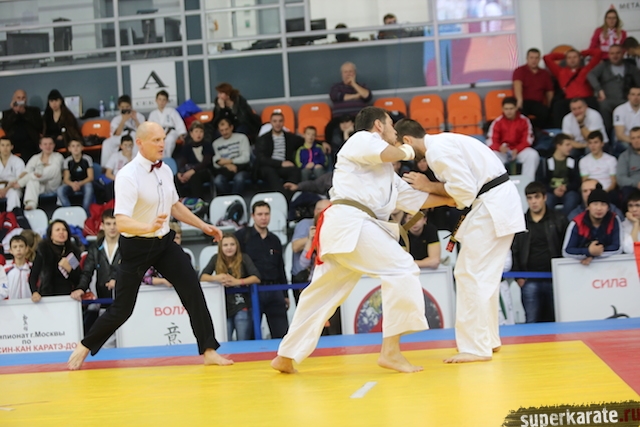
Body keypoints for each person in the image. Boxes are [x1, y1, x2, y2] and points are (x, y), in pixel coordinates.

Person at [271, 107, 454, 374]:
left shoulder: (387, 173)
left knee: (322, 293)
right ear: (378, 125)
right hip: (351, 222)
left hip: (346, 229)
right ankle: (390, 352)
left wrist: (454, 198)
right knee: (402, 268)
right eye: (391, 125)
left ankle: (286, 355)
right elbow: (389, 153)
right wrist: (412, 148)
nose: (395, 132)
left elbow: (417, 199)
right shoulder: (361, 140)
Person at [67, 121, 233, 370]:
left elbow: (175, 205)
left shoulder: (165, 169)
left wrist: (203, 226)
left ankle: (208, 349)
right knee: (123, 309)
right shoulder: (127, 175)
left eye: (163, 138)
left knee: (192, 289)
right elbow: (121, 222)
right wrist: (147, 227)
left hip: (164, 243)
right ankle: (85, 345)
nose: (162, 144)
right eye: (156, 140)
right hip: (136, 247)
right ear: (140, 143)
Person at [397, 117, 525, 363]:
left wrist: (428, 186)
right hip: (496, 204)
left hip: (490, 206)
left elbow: (464, 192)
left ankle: (476, 347)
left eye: (399, 147)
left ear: (407, 140)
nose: (401, 155)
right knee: (483, 277)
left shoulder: (437, 151)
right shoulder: (444, 142)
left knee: (470, 275)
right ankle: (488, 340)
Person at [511, 182, 568, 323]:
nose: (533, 201)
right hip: (529, 280)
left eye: (537, 197)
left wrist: (564, 276)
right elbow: (514, 250)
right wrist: (518, 277)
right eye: (529, 198)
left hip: (554, 279)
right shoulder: (520, 222)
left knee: (559, 320)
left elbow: (565, 247)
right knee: (531, 322)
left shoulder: (559, 219)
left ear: (545, 197)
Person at [236, 201, 289, 339]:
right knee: (251, 335)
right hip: (251, 290)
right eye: (260, 214)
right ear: (252, 216)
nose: (263, 217)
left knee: (282, 334)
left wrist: (285, 294)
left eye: (266, 214)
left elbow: (280, 267)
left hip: (275, 290)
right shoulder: (242, 236)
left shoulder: (275, 240)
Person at [200, 233, 261, 341]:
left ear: (237, 246)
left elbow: (256, 277)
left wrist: (237, 281)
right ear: (220, 247)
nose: (229, 248)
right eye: (225, 245)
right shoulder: (216, 258)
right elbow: (202, 277)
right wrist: (216, 278)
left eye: (232, 244)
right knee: (225, 340)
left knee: (243, 340)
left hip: (242, 304)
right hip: (223, 306)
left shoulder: (244, 257)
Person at [77, 209, 122, 331]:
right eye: (108, 223)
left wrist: (118, 280)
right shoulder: (95, 249)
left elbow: (132, 270)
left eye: (115, 223)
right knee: (106, 339)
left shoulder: (128, 247)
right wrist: (81, 288)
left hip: (125, 300)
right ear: (102, 225)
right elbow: (87, 272)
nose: (112, 227)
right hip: (104, 302)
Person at [587, 44, 640, 133]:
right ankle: (606, 135)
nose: (615, 56)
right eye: (612, 53)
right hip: (608, 100)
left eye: (618, 53)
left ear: (622, 54)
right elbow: (590, 75)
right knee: (603, 106)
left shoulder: (631, 68)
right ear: (608, 55)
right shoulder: (603, 66)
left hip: (626, 100)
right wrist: (599, 90)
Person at [562, 188, 622, 265]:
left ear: (608, 208)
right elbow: (567, 251)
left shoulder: (614, 219)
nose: (599, 208)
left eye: (603, 204)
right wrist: (588, 251)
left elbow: (618, 248)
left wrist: (594, 254)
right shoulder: (577, 222)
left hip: (609, 265)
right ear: (588, 207)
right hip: (581, 266)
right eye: (595, 204)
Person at [544, 49, 602, 128]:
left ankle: (596, 130)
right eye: (569, 58)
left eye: (575, 57)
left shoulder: (587, 69)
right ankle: (560, 132)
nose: (572, 60)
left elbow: (598, 53)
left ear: (579, 58)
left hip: (585, 99)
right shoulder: (560, 72)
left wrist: (581, 53)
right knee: (558, 105)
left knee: (594, 102)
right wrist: (564, 54)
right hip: (569, 100)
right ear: (566, 59)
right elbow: (546, 58)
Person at [29, 219, 83, 303]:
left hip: (69, 297)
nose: (61, 232)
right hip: (47, 297)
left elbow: (78, 277)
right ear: (51, 235)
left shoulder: (72, 251)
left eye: (64, 230)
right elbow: (33, 276)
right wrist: (34, 292)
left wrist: (70, 269)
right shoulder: (43, 251)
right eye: (57, 230)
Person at [486, 96, 539, 181]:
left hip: (519, 151)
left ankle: (528, 183)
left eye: (511, 108)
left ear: (516, 108)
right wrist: (499, 148)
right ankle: (501, 184)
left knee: (532, 155)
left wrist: (517, 149)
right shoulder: (497, 122)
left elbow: (528, 139)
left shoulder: (524, 121)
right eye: (506, 109)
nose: (509, 111)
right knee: (493, 156)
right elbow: (491, 141)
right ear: (502, 109)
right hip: (503, 151)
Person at [255, 111, 303, 193]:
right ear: (271, 122)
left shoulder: (289, 137)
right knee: (270, 171)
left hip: (283, 167)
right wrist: (280, 163)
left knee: (294, 170)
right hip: (268, 167)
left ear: (283, 122)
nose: (278, 124)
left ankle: (289, 194)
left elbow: (306, 141)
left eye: (280, 121)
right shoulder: (263, 139)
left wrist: (322, 143)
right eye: (275, 121)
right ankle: (281, 195)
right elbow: (262, 159)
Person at [536, 133, 581, 216]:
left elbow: (577, 181)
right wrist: (553, 190)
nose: (571, 147)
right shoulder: (545, 162)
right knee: (547, 201)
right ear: (558, 146)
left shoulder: (573, 161)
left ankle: (562, 221)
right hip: (550, 191)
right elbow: (540, 182)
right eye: (567, 145)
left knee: (573, 198)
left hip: (568, 191)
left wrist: (566, 188)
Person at [290, 199, 332, 287]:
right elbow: (296, 248)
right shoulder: (305, 224)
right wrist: (312, 238)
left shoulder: (333, 227)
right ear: (316, 212)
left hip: (329, 278)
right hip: (305, 279)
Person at [16, 136, 64, 211]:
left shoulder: (58, 156)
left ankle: (25, 180)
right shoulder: (35, 158)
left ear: (54, 145)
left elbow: (53, 170)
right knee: (31, 181)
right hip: (40, 186)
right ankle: (31, 204)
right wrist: (17, 180)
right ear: (40, 146)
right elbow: (26, 171)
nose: (48, 146)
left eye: (50, 144)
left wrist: (37, 172)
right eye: (45, 144)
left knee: (54, 168)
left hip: (53, 184)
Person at [512, 48, 555, 129]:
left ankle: (537, 131)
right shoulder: (520, 71)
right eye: (531, 58)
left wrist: (550, 106)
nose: (534, 60)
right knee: (520, 114)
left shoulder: (545, 73)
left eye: (536, 58)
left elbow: (549, 91)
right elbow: (517, 85)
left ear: (539, 59)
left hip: (537, 103)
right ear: (527, 58)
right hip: (523, 102)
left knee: (545, 113)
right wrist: (519, 100)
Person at [100, 95, 145, 166]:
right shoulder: (116, 119)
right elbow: (116, 134)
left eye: (127, 107)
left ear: (130, 106)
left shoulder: (139, 116)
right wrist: (123, 120)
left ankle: (138, 165)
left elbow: (143, 131)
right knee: (106, 143)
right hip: (121, 136)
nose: (125, 109)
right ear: (119, 107)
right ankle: (106, 167)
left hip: (134, 135)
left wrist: (135, 119)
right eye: (123, 107)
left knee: (137, 141)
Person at [211, 117, 251, 195]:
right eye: (222, 130)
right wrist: (227, 165)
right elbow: (215, 163)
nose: (224, 132)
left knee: (239, 178)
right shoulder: (215, 143)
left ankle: (235, 198)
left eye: (226, 129)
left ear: (231, 127)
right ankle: (230, 197)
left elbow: (246, 158)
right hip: (225, 170)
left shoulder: (242, 137)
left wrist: (229, 161)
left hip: (242, 168)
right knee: (218, 181)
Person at [175, 121, 214, 200]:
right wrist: (180, 173)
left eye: (201, 131)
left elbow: (206, 162)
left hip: (204, 171)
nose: (199, 134)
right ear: (191, 134)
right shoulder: (187, 147)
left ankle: (198, 201)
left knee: (194, 177)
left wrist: (193, 171)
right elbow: (182, 162)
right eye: (196, 131)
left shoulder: (207, 145)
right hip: (189, 170)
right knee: (175, 178)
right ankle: (182, 200)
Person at [1, 89, 43, 161]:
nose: (21, 100)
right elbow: (5, 127)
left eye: (23, 98)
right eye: (18, 98)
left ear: (26, 99)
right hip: (13, 141)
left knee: (28, 150)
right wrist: (14, 112)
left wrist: (24, 112)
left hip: (30, 141)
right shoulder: (7, 113)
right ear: (13, 99)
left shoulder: (34, 111)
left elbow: (39, 125)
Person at [57, 139, 94, 215]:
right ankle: (69, 211)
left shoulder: (87, 159)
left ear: (82, 148)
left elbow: (90, 177)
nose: (75, 148)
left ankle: (85, 213)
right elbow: (66, 179)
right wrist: (72, 184)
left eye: (78, 146)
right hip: (72, 184)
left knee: (89, 187)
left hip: (84, 183)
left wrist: (80, 184)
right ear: (69, 149)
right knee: (60, 190)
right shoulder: (67, 161)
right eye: (73, 146)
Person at [147, 90, 187, 158]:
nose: (161, 102)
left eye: (164, 100)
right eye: (160, 99)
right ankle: (159, 159)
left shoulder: (172, 111)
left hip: (171, 132)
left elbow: (178, 122)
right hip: (157, 133)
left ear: (167, 101)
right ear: (156, 100)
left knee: (169, 141)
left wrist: (181, 134)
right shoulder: (153, 114)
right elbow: (149, 127)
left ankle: (168, 158)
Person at [103, 135, 134, 201]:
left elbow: (136, 173)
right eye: (125, 145)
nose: (128, 147)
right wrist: (118, 179)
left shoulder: (136, 157)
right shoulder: (115, 156)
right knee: (110, 187)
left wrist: (129, 158)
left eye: (130, 145)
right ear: (121, 146)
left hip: (131, 181)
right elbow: (108, 173)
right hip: (117, 179)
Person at [2, 235, 32, 299]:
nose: (18, 249)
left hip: (30, 303)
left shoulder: (32, 268)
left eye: (21, 246)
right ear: (10, 250)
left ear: (26, 249)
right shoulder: (5, 270)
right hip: (11, 304)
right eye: (15, 247)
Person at [0, 138, 26, 211]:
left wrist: (5, 189)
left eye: (7, 145)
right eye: (2, 145)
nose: (5, 148)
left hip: (12, 187)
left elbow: (20, 179)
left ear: (12, 147)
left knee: (14, 194)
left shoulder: (18, 161)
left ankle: (12, 216)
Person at [616, 127, 640, 201]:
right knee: (626, 190)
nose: (636, 141)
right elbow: (620, 178)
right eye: (633, 138)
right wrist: (637, 183)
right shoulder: (624, 156)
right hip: (633, 188)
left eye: (638, 137)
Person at [622, 189, 640, 254]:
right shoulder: (623, 225)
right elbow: (629, 249)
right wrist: (636, 223)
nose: (634, 209)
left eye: (638, 205)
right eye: (630, 206)